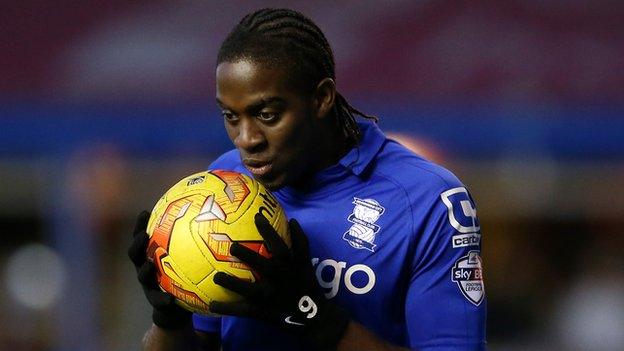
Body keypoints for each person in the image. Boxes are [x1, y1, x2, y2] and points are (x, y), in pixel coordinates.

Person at [128, 8, 486, 351]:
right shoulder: (227, 185)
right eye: (230, 116)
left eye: (267, 114)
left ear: (321, 98)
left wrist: (315, 316)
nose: (246, 139)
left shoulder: (429, 200)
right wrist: (169, 319)